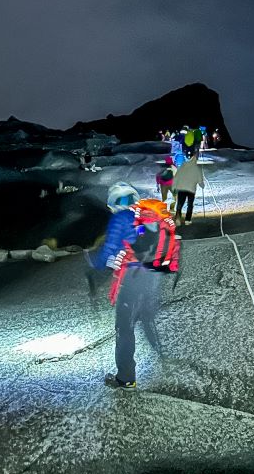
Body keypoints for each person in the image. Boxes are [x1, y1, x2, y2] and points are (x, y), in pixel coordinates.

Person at [105, 199, 178, 390]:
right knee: (146, 319)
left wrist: (117, 256)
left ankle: (126, 378)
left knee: (124, 329)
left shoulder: (142, 227)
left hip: (134, 282)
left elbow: (135, 249)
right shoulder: (160, 225)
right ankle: (163, 357)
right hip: (151, 280)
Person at [83, 182, 140, 296]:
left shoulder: (118, 218)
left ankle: (97, 288)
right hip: (139, 255)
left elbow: (111, 244)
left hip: (124, 256)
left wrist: (99, 261)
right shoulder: (138, 216)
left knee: (103, 261)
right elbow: (141, 234)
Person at [172, 153, 204, 226]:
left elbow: (177, 177)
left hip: (181, 188)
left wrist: (174, 187)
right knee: (190, 205)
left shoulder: (183, 166)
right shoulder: (197, 168)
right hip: (191, 189)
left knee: (179, 204)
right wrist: (202, 185)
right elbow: (200, 180)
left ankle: (178, 219)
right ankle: (187, 220)